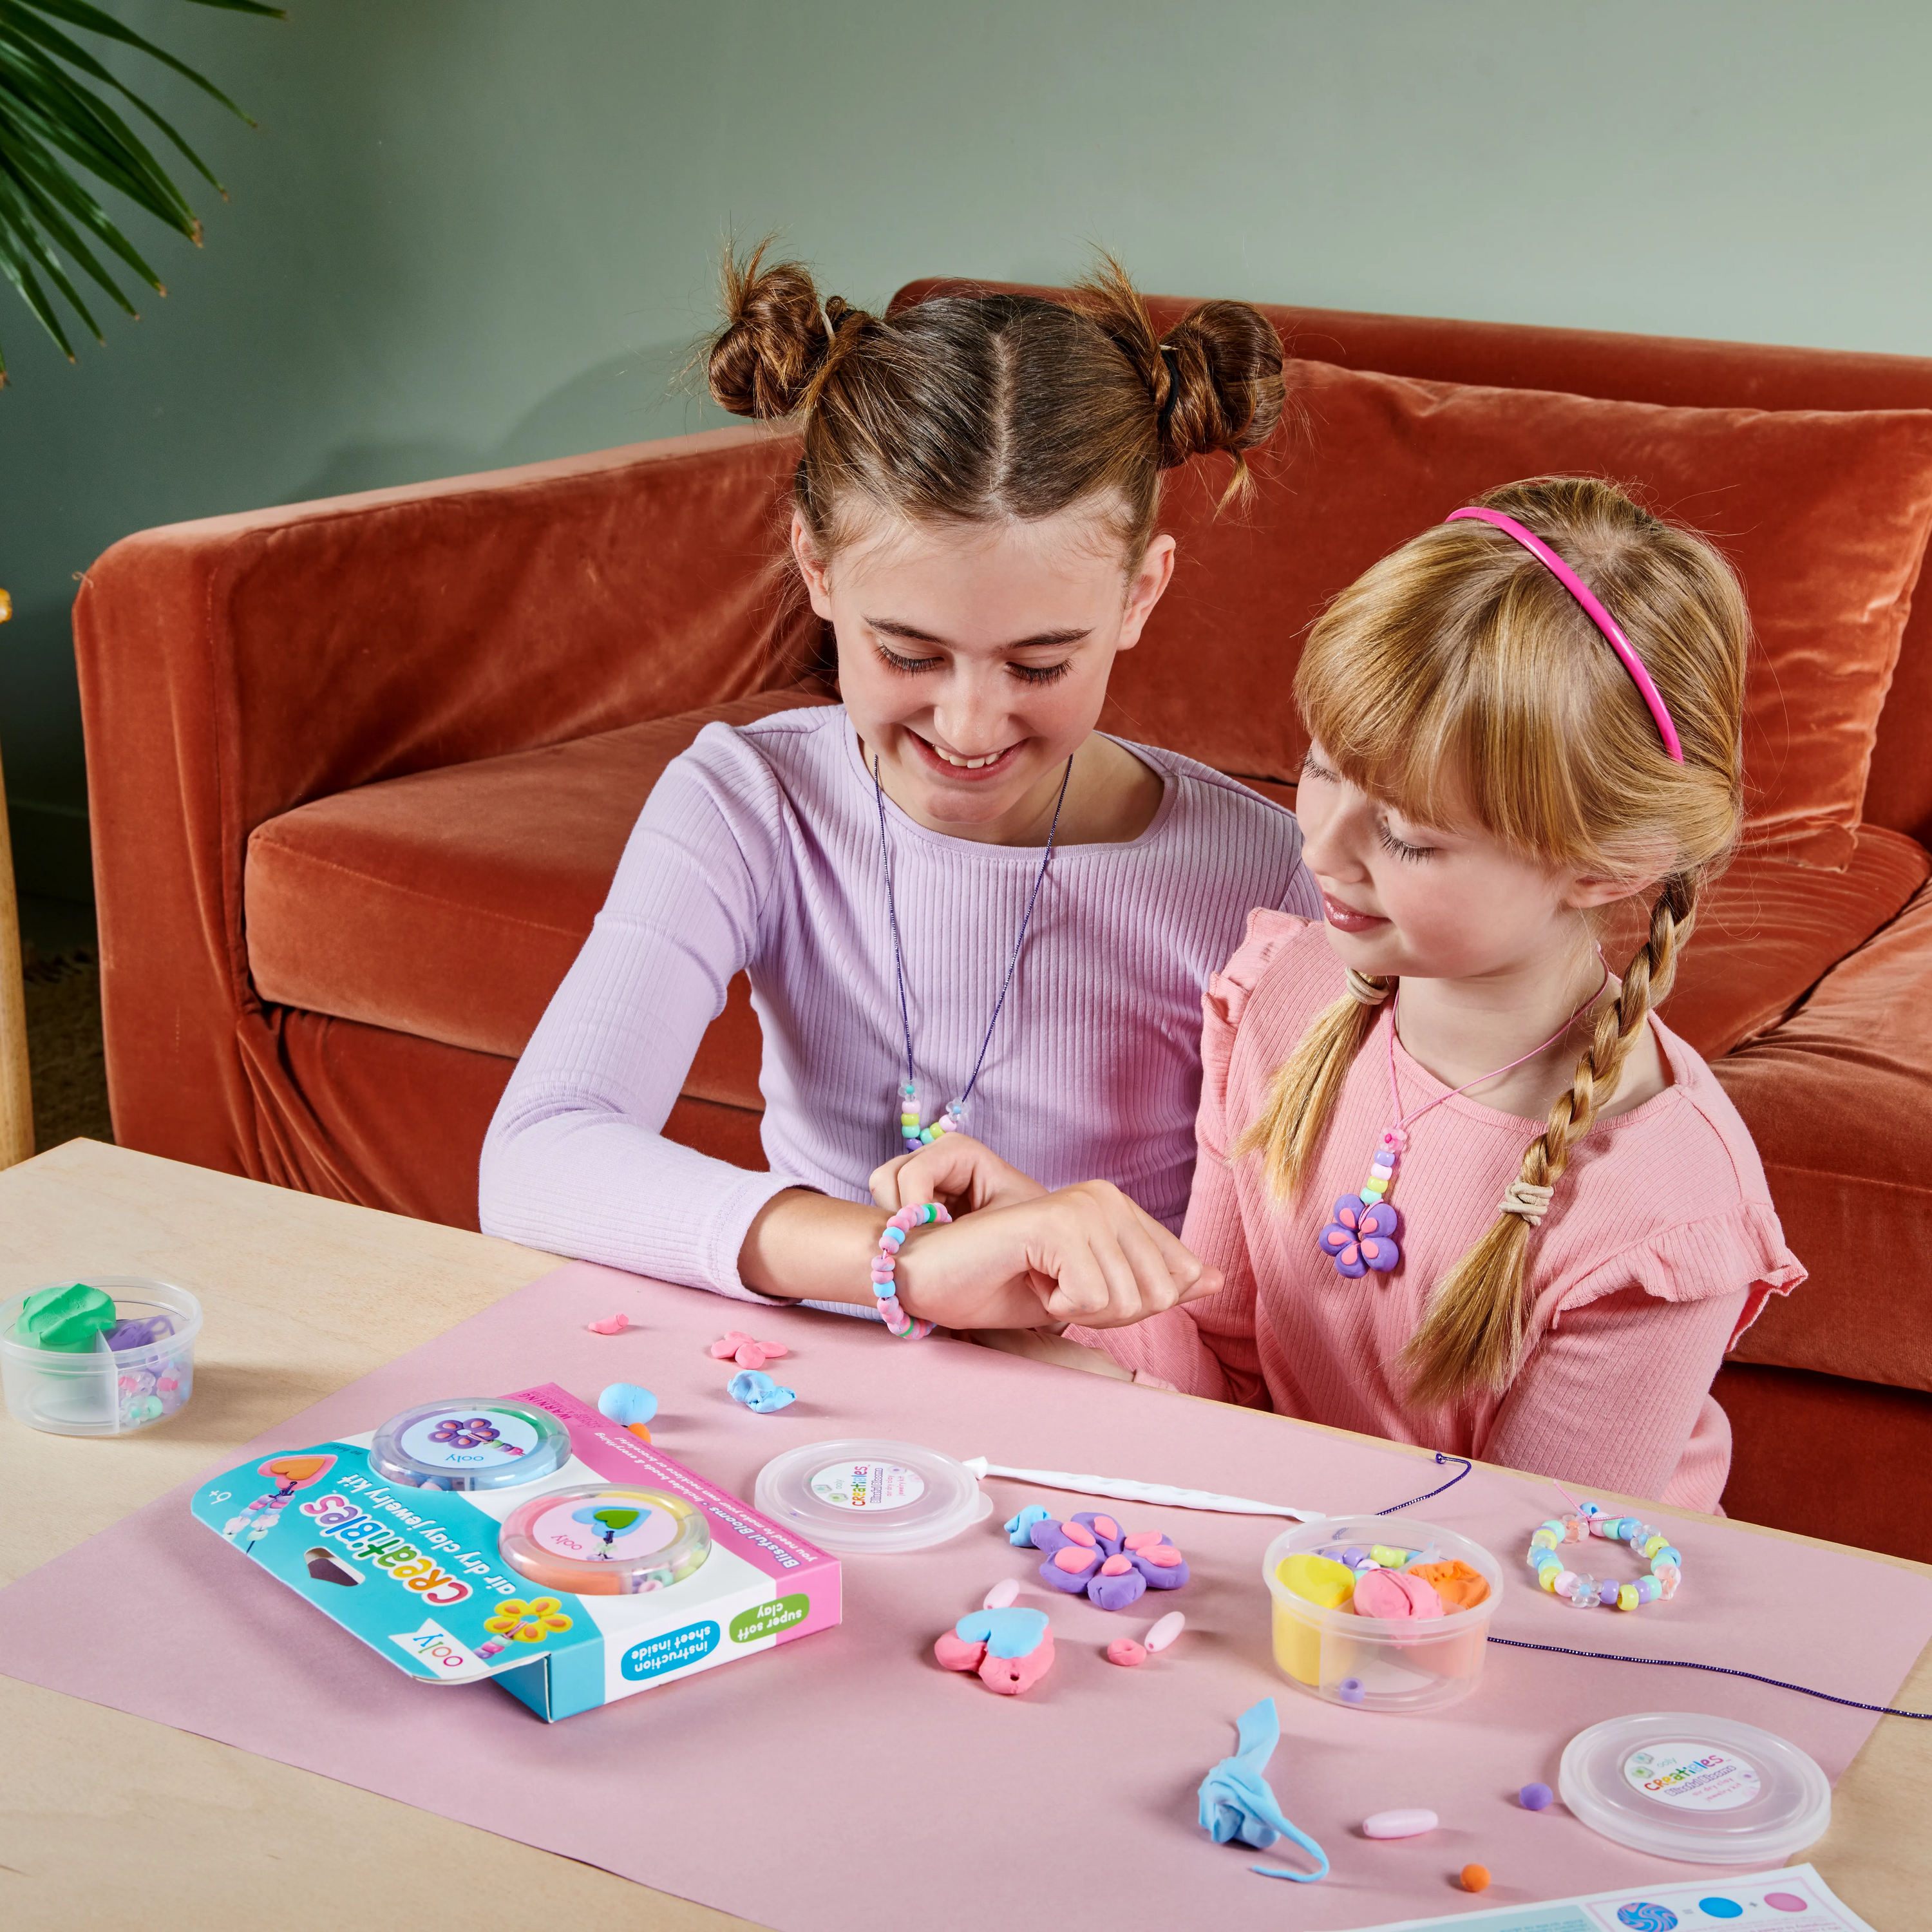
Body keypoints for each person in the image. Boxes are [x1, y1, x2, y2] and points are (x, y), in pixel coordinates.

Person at [884, 478, 1804, 1508]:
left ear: (1611, 864)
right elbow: (1226, 1368)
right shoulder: (1282, 995)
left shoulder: (1660, 1213)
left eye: (1409, 835)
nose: (1318, 847)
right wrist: (1057, 1274)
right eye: (1321, 770)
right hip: (1313, 1566)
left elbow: (1513, 1564)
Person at [479, 249, 1321, 1334]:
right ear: (817, 569)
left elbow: (1291, 1301)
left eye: (1039, 665)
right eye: (910, 654)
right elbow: (540, 1155)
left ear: (1140, 593)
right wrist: (910, 1268)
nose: (969, 728)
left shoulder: (1263, 875)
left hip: (1116, 1407)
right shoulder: (752, 801)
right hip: (811, 1377)